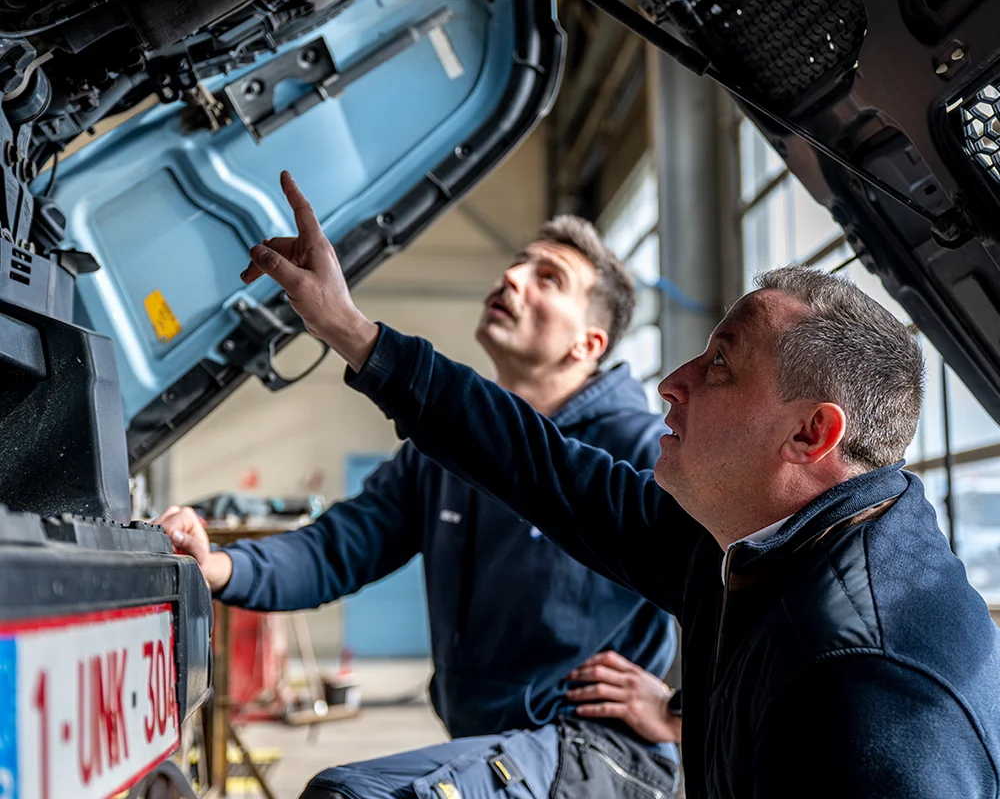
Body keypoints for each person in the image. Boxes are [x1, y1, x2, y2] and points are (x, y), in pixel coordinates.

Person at [244, 170, 1000, 798]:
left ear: (811, 435)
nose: (672, 383)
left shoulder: (870, 685)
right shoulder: (738, 541)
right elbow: (538, 467)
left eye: (720, 366)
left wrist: (668, 715)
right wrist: (352, 331)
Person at [159, 197, 683, 797]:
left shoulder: (640, 448)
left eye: (548, 279)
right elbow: (344, 545)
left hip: (598, 754)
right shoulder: (446, 455)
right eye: (518, 264)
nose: (511, 278)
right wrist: (219, 567)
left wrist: (677, 709)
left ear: (587, 345)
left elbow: (743, 570)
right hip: (489, 742)